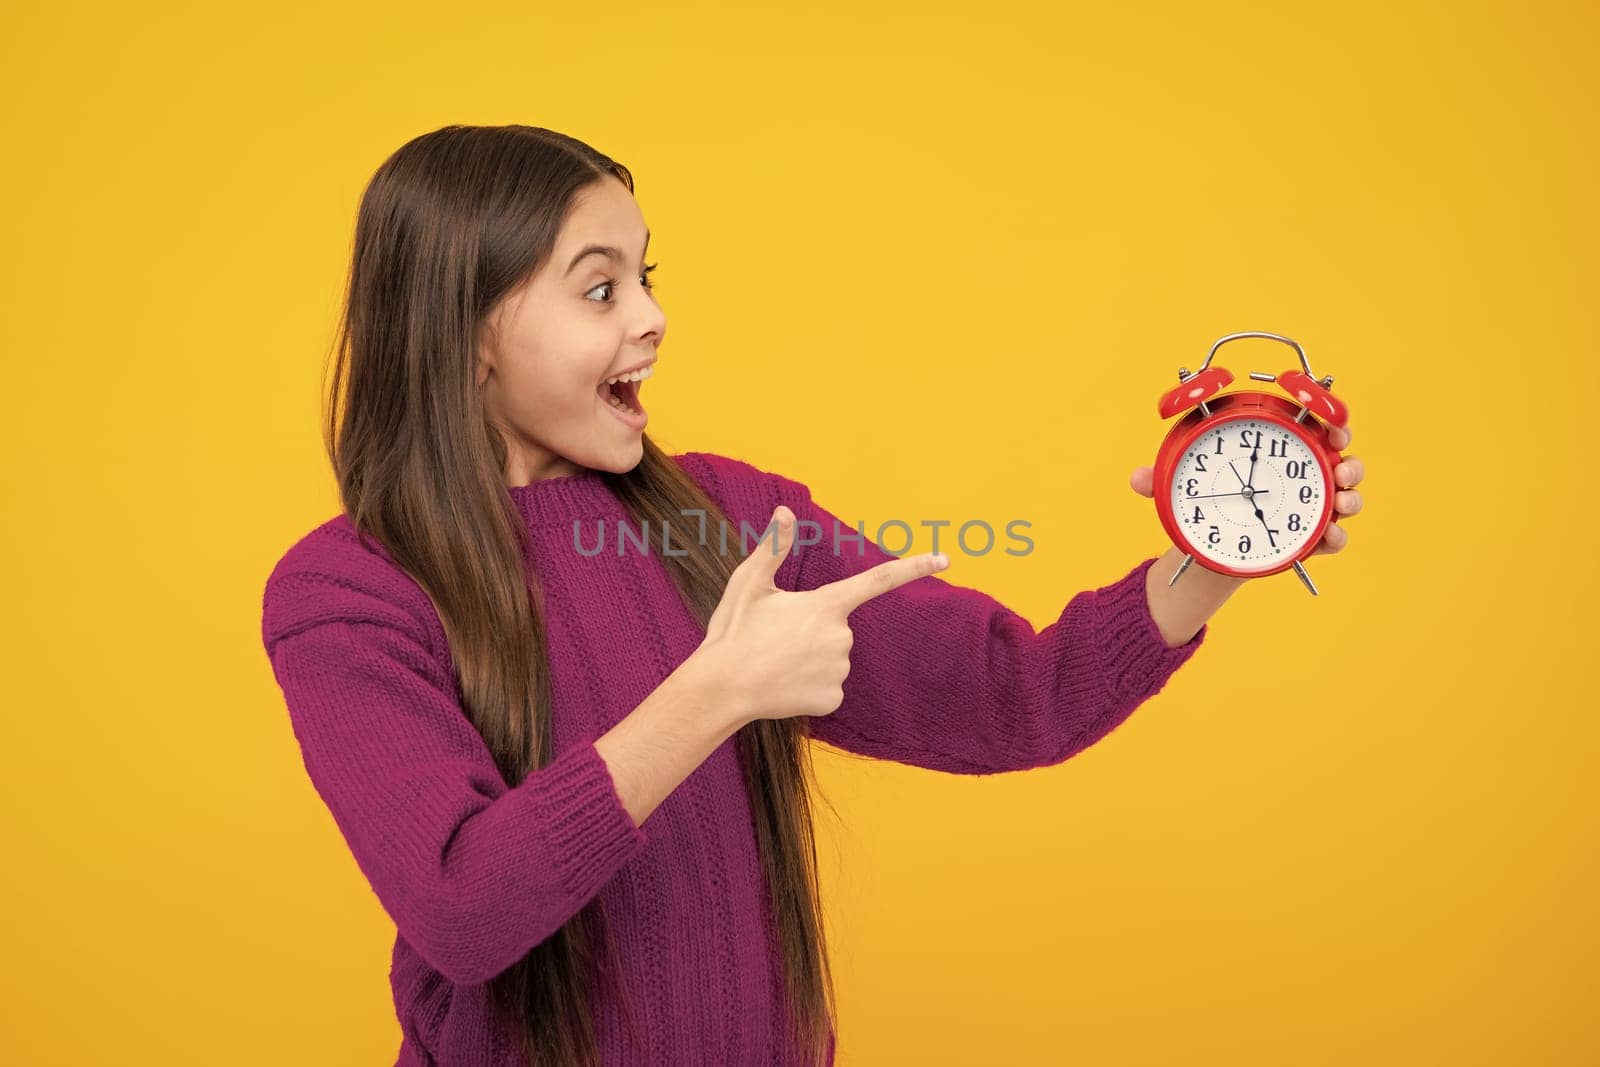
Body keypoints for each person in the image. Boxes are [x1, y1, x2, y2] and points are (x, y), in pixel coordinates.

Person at [259, 124, 1365, 1067]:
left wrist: (1222, 545)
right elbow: (462, 907)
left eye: (649, 278)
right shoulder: (347, 592)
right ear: (466, 331)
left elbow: (1021, 694)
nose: (650, 318)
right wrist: (717, 690)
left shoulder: (735, 522)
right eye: (600, 287)